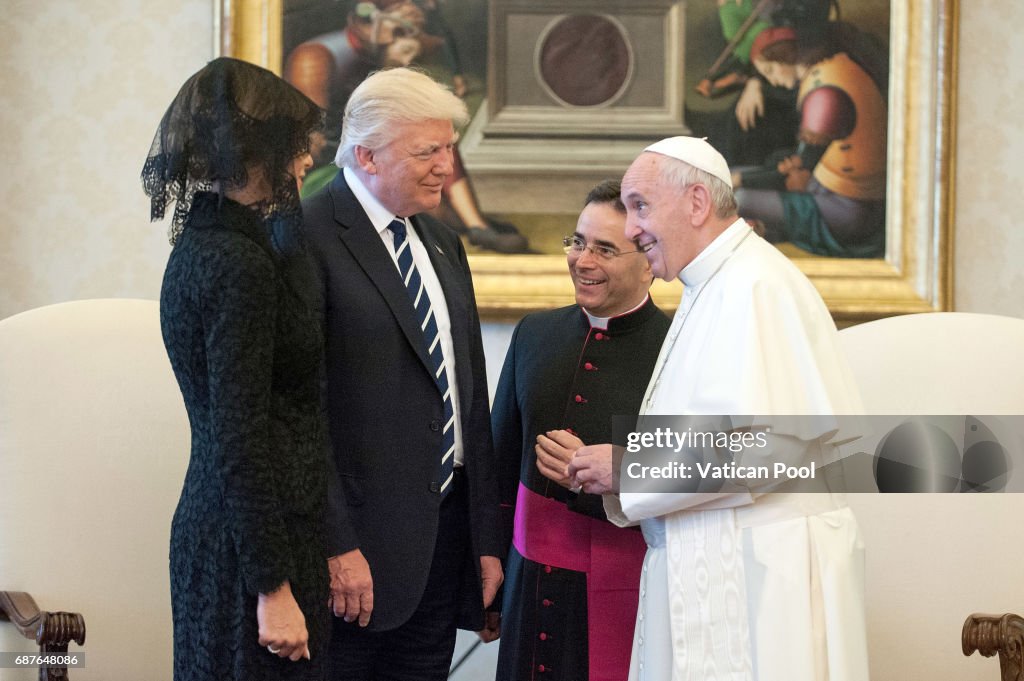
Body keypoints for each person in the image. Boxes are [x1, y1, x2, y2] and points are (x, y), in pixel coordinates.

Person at [566, 136, 870, 681]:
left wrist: (626, 467)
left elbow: (767, 450)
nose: (632, 228)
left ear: (697, 204)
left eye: (640, 205)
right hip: (732, 557)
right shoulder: (718, 283)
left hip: (759, 578)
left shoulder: (752, 287)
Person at [301, 67, 504, 681]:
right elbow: (298, 411)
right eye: (428, 151)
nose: (447, 165)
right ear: (365, 155)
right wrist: (336, 545)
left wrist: (484, 539)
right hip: (354, 561)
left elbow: (469, 402)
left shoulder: (443, 242)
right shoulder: (306, 235)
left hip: (442, 554)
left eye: (449, 148)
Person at [142, 57, 328, 680]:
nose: (305, 163)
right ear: (258, 153)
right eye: (296, 149)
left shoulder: (201, 244)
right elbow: (240, 438)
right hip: (251, 546)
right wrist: (272, 589)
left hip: (227, 530)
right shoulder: (240, 265)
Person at [492, 180, 671, 681]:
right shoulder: (535, 333)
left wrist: (617, 472)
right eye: (577, 241)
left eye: (605, 249)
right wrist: (488, 567)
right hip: (528, 581)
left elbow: (703, 479)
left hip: (626, 581)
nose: (582, 260)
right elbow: (500, 462)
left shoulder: (677, 351)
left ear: (648, 261)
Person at [284, 3, 530, 254]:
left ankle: (475, 224)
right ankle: (474, 224)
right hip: (332, 170)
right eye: (399, 31)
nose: (408, 40)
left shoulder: (376, 51)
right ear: (363, 23)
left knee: (430, 137)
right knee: (424, 193)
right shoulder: (314, 58)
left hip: (375, 159)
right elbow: (309, 141)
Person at [732, 24, 888, 257]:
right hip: (828, 190)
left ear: (786, 57)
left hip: (849, 209)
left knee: (737, 197)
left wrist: (740, 179)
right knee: (731, 181)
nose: (772, 81)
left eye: (771, 71)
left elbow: (800, 170)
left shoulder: (824, 94)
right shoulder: (832, 68)